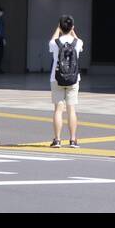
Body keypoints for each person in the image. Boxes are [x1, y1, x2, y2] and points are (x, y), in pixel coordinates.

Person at [49, 15, 84, 148]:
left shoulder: (55, 43)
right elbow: (78, 40)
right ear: (72, 27)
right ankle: (73, 140)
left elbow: (52, 41)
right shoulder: (78, 43)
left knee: (58, 109)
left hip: (56, 78)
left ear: (60, 27)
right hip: (73, 79)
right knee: (71, 109)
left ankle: (57, 140)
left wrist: (57, 30)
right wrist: (73, 31)